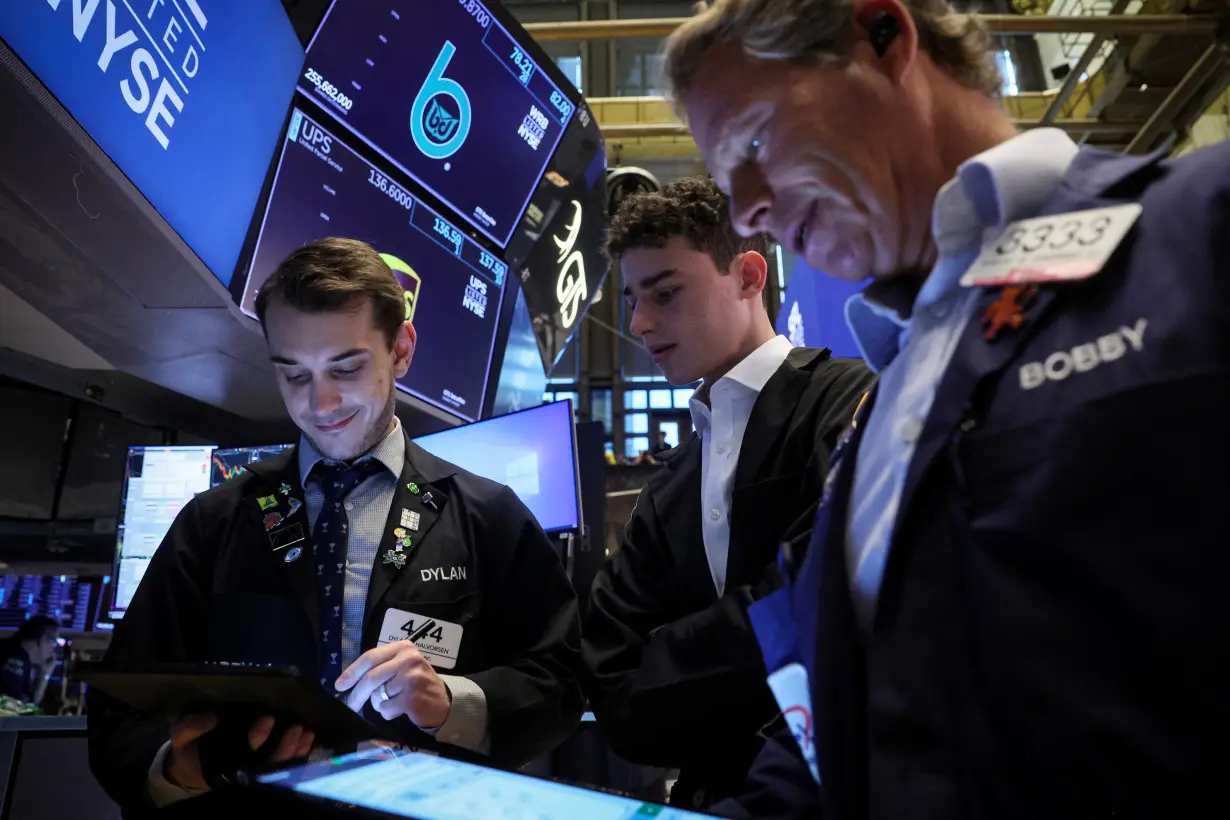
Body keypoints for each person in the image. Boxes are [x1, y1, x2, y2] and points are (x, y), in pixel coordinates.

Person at [663, 0, 1230, 817]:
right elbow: (832, 734)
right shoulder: (879, 404)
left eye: (753, 140)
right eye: (724, 181)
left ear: (883, 36)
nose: (745, 207)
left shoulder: (1196, 227)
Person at [89, 238, 585, 816]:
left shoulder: (486, 516)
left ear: (400, 349)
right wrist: (175, 769)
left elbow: (560, 685)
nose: (319, 402)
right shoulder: (215, 521)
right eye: (293, 374)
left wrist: (451, 701)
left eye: (346, 368)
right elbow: (120, 706)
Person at [582, 176, 875, 810]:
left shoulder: (846, 402)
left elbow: (828, 598)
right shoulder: (672, 484)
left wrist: (675, 658)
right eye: (634, 298)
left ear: (748, 275)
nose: (639, 322)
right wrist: (757, 650)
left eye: (665, 293)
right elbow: (610, 680)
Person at [0, 616, 59, 706]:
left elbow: (30, 704)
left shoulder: (18, 654)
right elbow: (15, 711)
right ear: (43, 641)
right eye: (54, 643)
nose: (53, 651)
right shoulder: (16, 658)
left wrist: (44, 674)